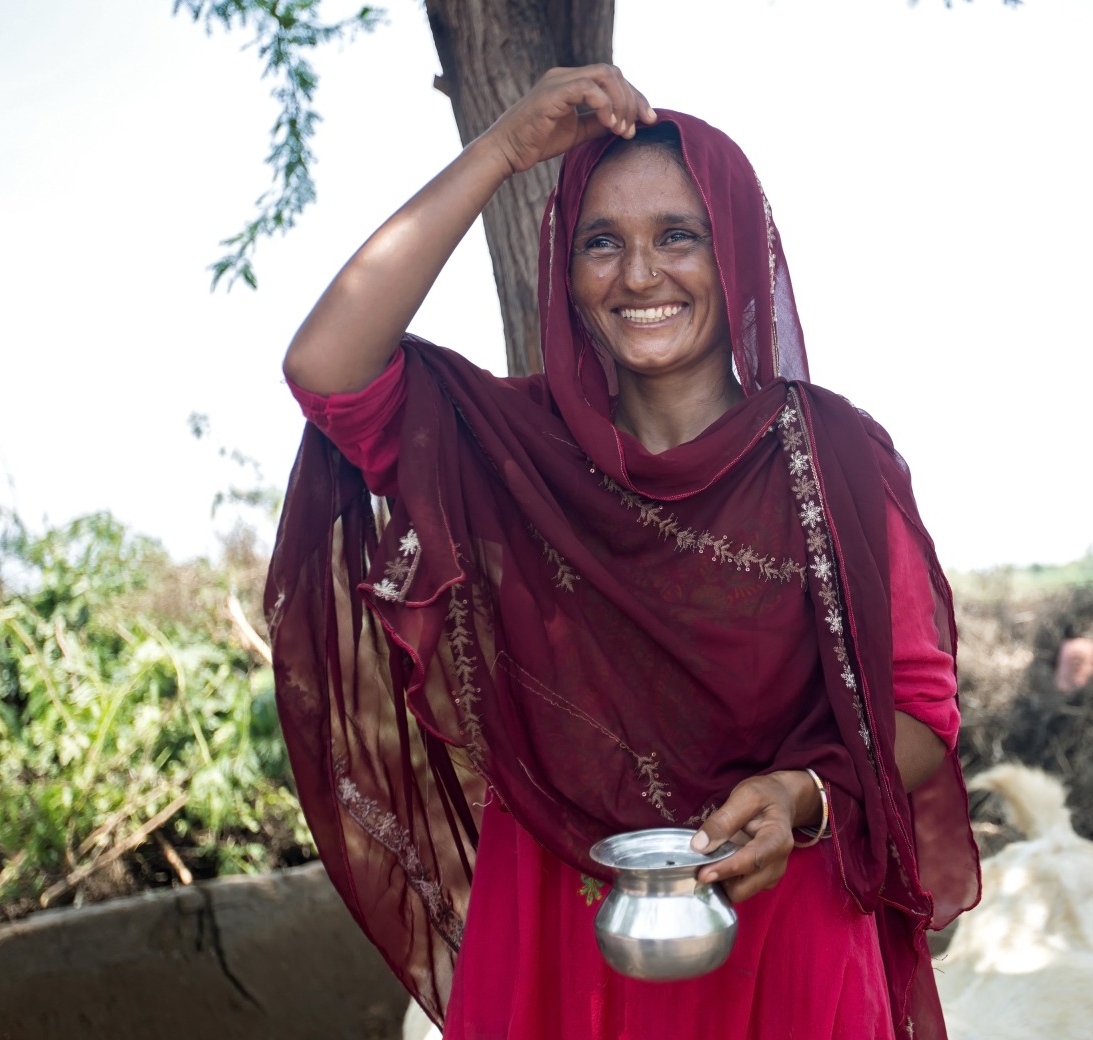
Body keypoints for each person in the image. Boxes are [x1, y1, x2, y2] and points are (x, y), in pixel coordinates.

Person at [267, 65, 977, 1039]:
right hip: (563, 938)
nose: (640, 275)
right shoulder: (507, 451)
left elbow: (922, 713)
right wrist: (503, 152)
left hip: (784, 937)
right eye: (603, 242)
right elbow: (325, 366)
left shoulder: (839, 460)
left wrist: (801, 797)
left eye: (677, 235)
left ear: (737, 252)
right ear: (566, 269)